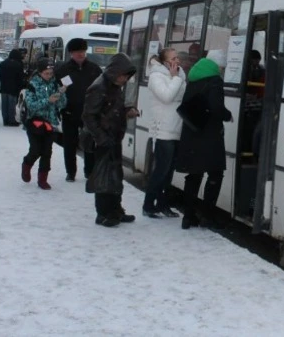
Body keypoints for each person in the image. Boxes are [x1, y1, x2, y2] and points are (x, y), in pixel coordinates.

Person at [175, 50, 232, 230]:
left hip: (192, 131)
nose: (222, 70)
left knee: (194, 174)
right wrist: (227, 115)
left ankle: (188, 217)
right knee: (215, 174)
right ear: (217, 65)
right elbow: (216, 107)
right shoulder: (214, 81)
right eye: (222, 67)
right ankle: (208, 215)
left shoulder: (193, 77)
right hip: (209, 135)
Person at [82, 53, 139, 227]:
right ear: (115, 72)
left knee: (115, 176)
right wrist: (101, 137)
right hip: (102, 139)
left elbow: (113, 109)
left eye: (127, 76)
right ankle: (104, 213)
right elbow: (89, 116)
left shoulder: (113, 86)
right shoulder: (99, 87)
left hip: (112, 137)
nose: (125, 79)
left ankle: (115, 210)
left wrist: (127, 111)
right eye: (124, 75)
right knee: (104, 178)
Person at [142, 47, 186, 218]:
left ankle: (163, 204)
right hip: (163, 131)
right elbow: (167, 97)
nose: (178, 61)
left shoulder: (179, 76)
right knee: (160, 170)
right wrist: (175, 79)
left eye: (178, 57)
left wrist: (177, 78)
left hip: (176, 128)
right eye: (174, 58)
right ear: (165, 62)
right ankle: (148, 204)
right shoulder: (156, 77)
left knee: (169, 172)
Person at [53, 38, 102, 182]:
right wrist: (60, 107)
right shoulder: (63, 70)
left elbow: (101, 88)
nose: (81, 54)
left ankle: (90, 171)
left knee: (89, 143)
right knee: (69, 143)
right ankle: (71, 172)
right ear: (71, 53)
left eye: (83, 51)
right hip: (70, 112)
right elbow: (58, 91)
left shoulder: (94, 69)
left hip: (89, 113)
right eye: (77, 52)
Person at [21, 58, 67, 190]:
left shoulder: (54, 84)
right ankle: (26, 165)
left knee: (47, 152)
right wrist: (48, 100)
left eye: (50, 73)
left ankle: (42, 179)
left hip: (50, 123)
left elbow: (62, 104)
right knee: (35, 150)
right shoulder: (32, 85)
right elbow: (31, 105)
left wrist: (61, 94)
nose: (49, 76)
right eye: (46, 73)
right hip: (35, 123)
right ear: (40, 72)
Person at [0, 49, 25, 126]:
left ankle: (5, 120)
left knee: (4, 105)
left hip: (3, 87)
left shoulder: (3, 64)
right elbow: (20, 78)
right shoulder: (18, 65)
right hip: (13, 88)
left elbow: (0, 76)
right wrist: (22, 85)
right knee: (12, 105)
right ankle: (12, 120)